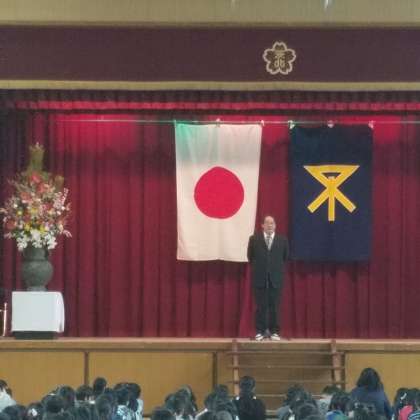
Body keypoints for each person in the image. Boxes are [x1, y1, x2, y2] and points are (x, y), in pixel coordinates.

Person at [247, 215, 289, 341]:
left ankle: (274, 331)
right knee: (260, 306)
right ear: (262, 225)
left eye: (272, 223)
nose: (270, 225)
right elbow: (250, 257)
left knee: (274, 306)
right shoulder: (254, 239)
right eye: (267, 223)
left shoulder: (282, 240)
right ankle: (259, 331)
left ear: (275, 226)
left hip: (276, 279)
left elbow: (285, 257)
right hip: (259, 278)